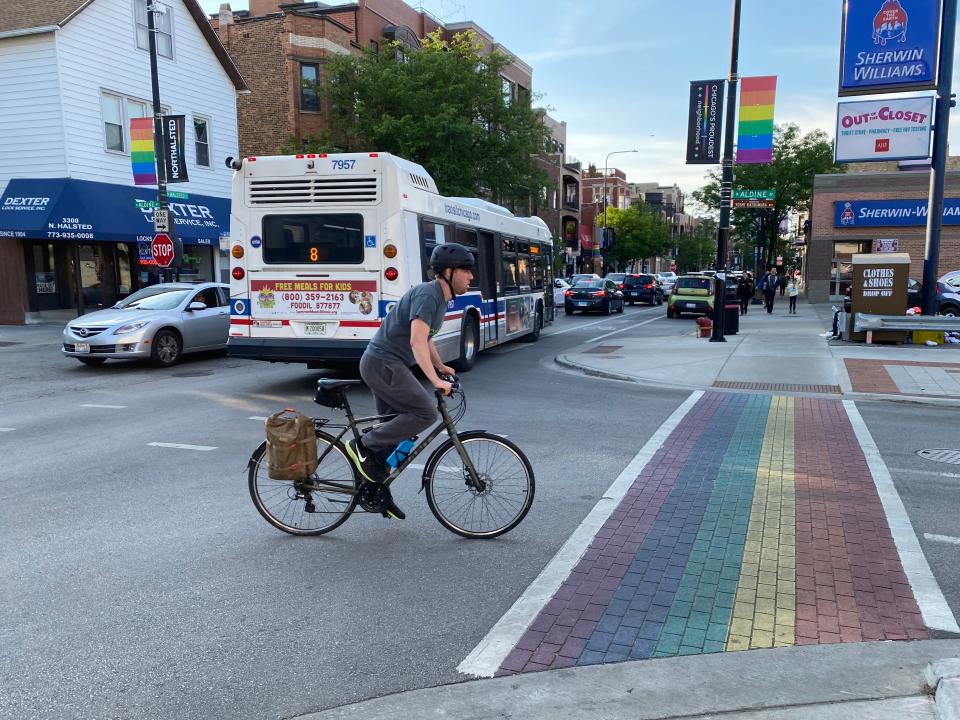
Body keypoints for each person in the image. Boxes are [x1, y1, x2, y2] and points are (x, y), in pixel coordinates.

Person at [345, 243, 475, 520]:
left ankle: (375, 492)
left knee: (394, 433)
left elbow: (426, 338)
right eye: (466, 270)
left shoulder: (439, 298)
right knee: (425, 412)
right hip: (384, 363)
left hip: (386, 365)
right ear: (449, 272)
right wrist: (435, 382)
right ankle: (362, 445)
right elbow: (416, 342)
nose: (470, 276)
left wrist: (440, 367)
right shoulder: (429, 295)